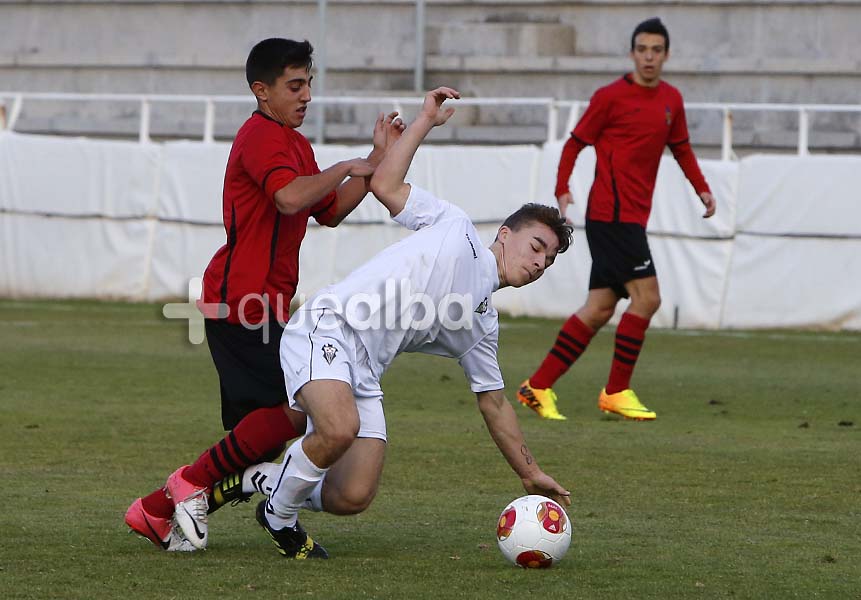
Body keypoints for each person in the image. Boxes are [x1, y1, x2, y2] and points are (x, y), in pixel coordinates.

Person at [249, 86, 573, 559]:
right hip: (329, 325)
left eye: (549, 260)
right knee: (338, 429)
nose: (540, 261)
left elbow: (495, 404)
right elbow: (384, 185)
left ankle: (262, 479)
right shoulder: (454, 226)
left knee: (352, 495)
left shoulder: (482, 324)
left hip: (366, 371)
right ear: (505, 234)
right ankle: (278, 515)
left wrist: (529, 472)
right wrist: (425, 120)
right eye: (537, 246)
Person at [124, 37, 404, 551]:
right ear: (261, 91)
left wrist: (374, 158)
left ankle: (157, 508)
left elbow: (330, 211)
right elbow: (289, 195)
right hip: (240, 301)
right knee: (298, 413)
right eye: (294, 86)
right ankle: (188, 490)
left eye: (309, 85)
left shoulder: (296, 144)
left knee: (264, 436)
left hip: (264, 304)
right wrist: (346, 166)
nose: (306, 96)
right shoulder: (259, 137)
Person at [517, 17, 716, 422]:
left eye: (656, 50)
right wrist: (563, 187)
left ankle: (536, 386)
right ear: (632, 53)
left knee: (599, 307)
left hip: (631, 219)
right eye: (642, 49)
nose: (648, 57)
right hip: (612, 216)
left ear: (666, 55)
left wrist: (703, 188)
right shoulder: (609, 97)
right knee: (648, 299)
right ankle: (616, 390)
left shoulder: (671, 100)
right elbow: (574, 144)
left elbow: (681, 149)